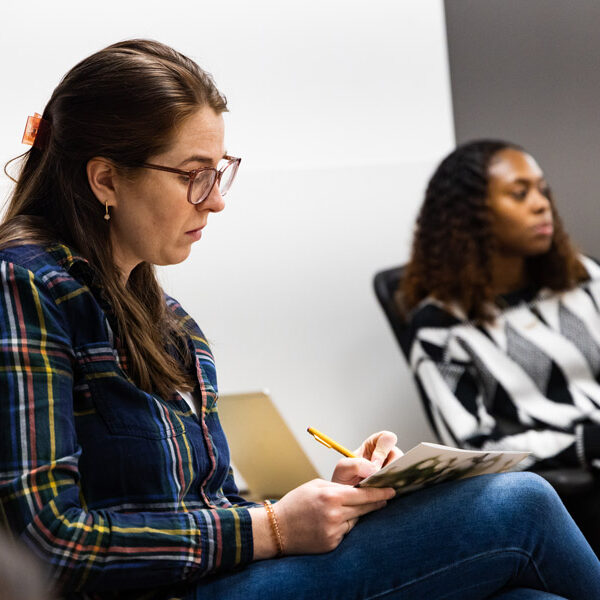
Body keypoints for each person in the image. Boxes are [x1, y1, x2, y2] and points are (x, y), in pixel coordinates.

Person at [0, 42, 599, 600]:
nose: (216, 199)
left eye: (220, 170)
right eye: (193, 175)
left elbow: (210, 506)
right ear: (105, 178)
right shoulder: (24, 283)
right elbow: (54, 543)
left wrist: (334, 501)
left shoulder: (165, 319)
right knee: (520, 502)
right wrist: (274, 527)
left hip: (209, 578)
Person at [401, 139, 600, 555]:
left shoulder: (582, 279)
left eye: (542, 189)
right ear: (469, 216)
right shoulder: (439, 326)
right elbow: (473, 449)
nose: (541, 204)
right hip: (569, 488)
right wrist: (585, 442)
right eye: (519, 193)